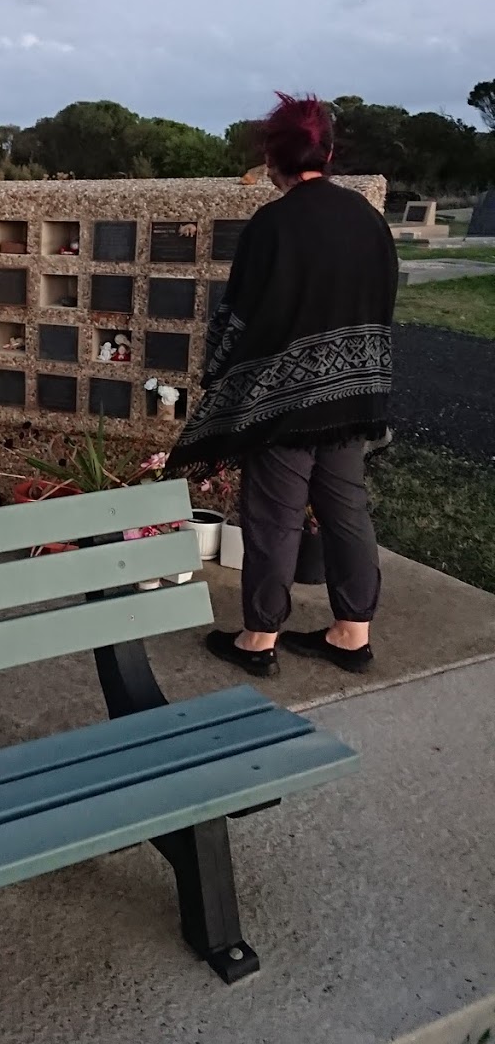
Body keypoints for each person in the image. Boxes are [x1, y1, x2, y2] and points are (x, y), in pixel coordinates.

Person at [165, 93, 399, 677]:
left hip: (283, 400)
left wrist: (216, 380)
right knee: (347, 510)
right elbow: (383, 303)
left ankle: (259, 639)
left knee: (274, 515)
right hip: (355, 392)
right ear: (329, 152)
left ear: (274, 157)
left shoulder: (273, 223)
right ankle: (352, 633)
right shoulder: (368, 219)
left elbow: (238, 317)